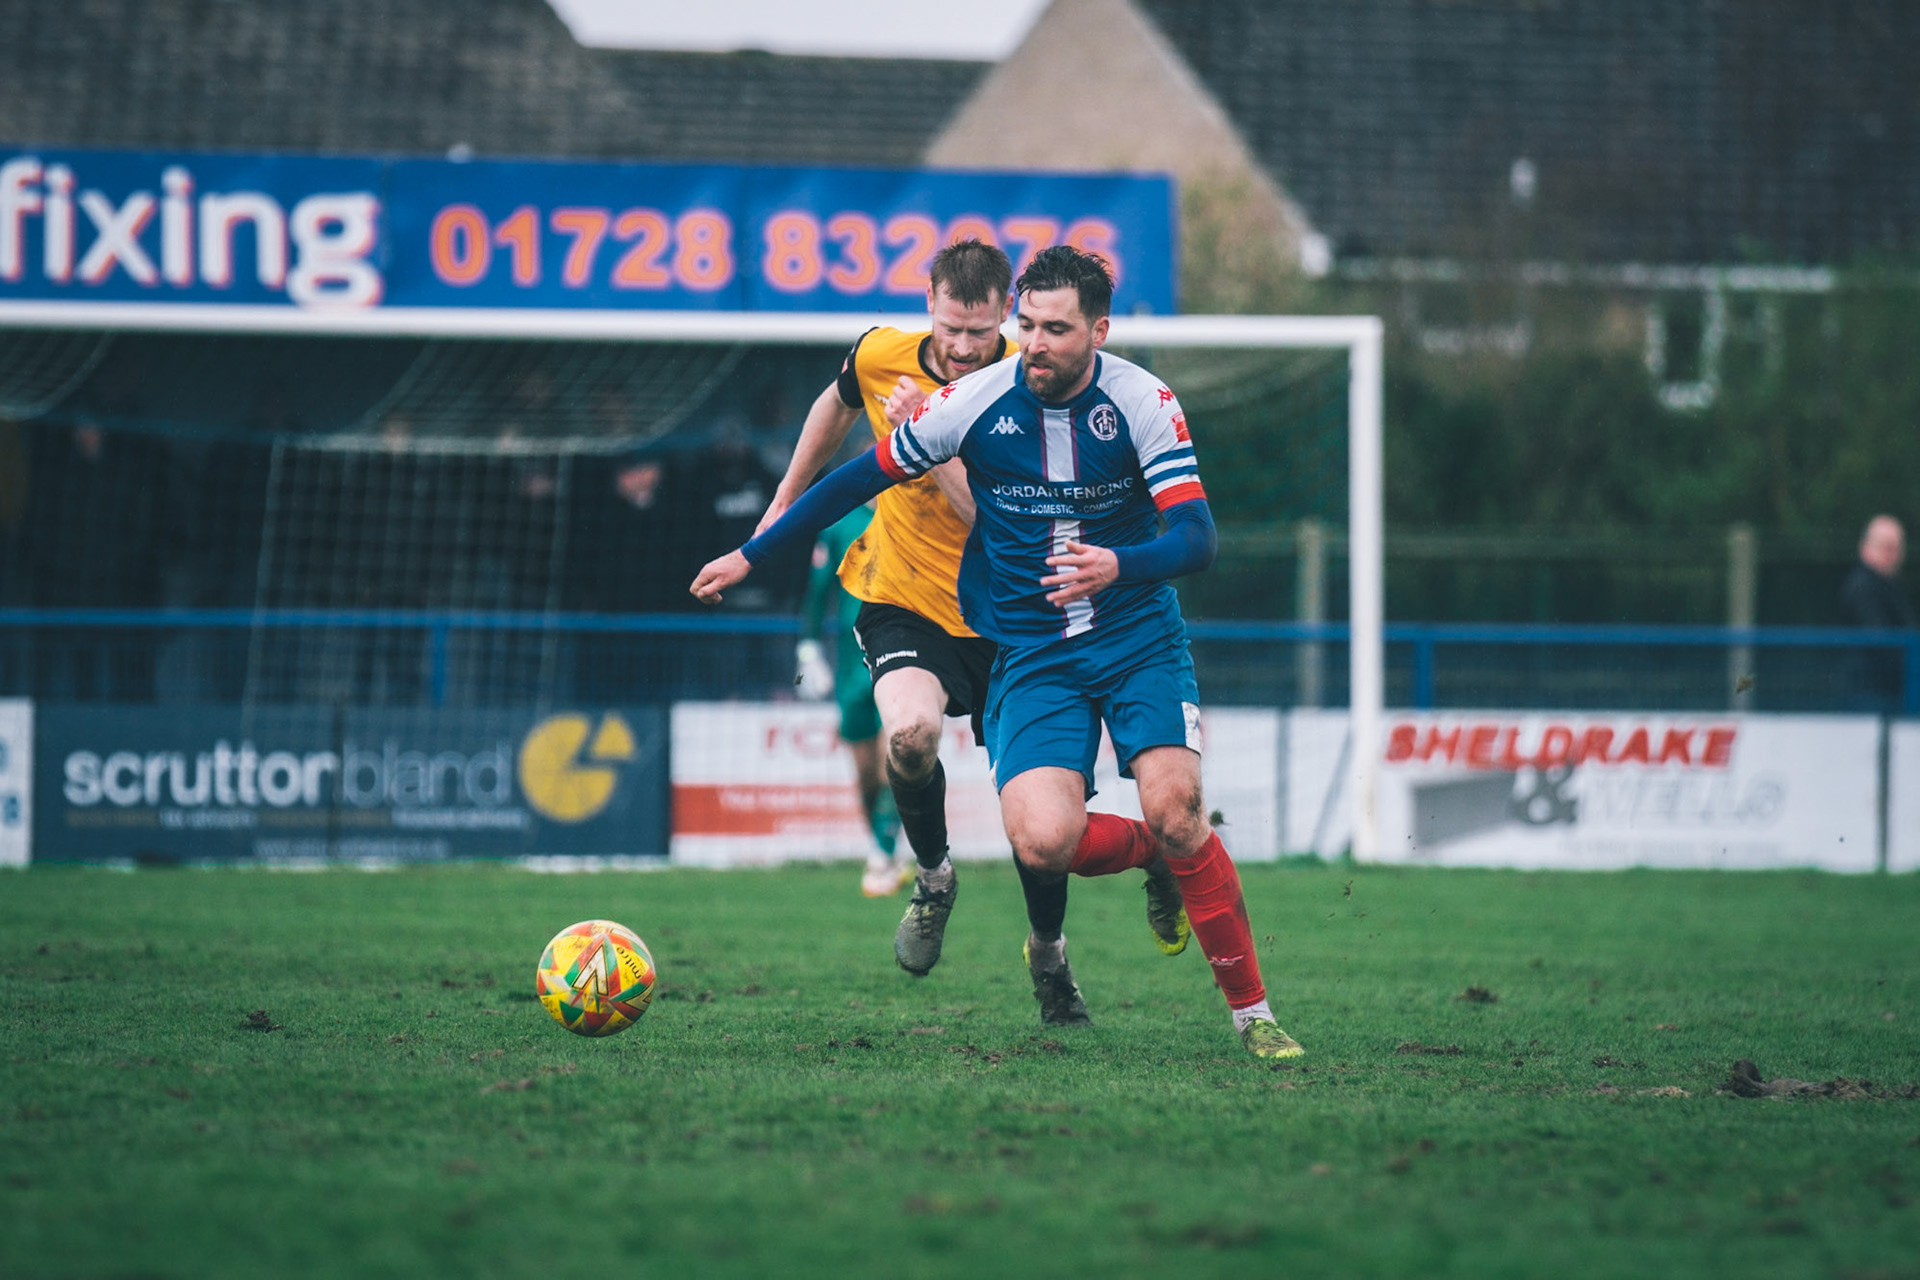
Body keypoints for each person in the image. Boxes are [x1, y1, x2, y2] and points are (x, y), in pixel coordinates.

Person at [698, 246, 1300, 1060]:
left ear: (1099, 330)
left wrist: (1119, 564)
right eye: (1030, 325)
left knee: (1178, 808)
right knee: (1044, 842)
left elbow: (1197, 538)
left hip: (1135, 637)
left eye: (1056, 328)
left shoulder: (1144, 400)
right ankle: (1135, 858)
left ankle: (1254, 1017)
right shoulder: (971, 404)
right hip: (1032, 649)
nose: (1036, 342)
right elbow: (853, 481)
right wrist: (755, 551)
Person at [755, 239, 1092, 979]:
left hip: (1011, 615)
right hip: (903, 598)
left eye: (980, 332)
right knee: (908, 735)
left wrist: (929, 442)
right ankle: (933, 877)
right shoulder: (882, 355)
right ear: (929, 306)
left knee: (1043, 828)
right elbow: (837, 401)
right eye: (950, 330)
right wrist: (784, 500)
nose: (965, 348)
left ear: (1005, 314)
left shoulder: (1033, 385)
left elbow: (1002, 523)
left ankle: (1050, 948)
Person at [796, 504, 910, 896]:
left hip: (900, 655)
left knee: (892, 759)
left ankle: (883, 852)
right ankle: (883, 848)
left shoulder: (913, 513)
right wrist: (808, 650)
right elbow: (817, 592)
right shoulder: (841, 526)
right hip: (851, 667)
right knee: (864, 774)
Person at [1841, 514, 1917, 713]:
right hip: (1868, 693)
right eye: (1886, 547)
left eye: (1896, 548)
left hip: (1886, 692)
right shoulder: (1863, 586)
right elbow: (1880, 640)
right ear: (1866, 546)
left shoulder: (1890, 586)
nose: (1892, 554)